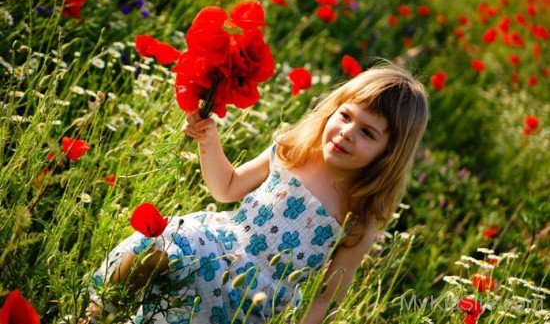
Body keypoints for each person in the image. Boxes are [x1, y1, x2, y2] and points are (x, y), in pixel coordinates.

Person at [84, 62, 429, 324]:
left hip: (254, 300)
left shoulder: (358, 217)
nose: (347, 133)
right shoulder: (291, 152)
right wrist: (209, 140)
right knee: (158, 244)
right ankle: (97, 314)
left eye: (368, 133)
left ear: (389, 153)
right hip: (217, 247)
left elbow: (326, 297)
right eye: (345, 116)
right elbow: (227, 187)